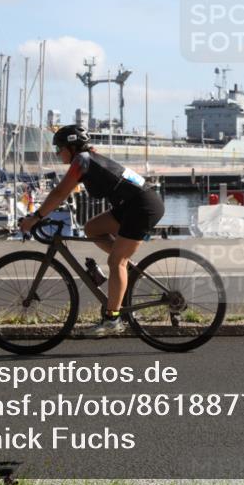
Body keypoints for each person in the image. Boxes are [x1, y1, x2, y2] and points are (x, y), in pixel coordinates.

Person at [18, 124, 165, 337]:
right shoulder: (86, 158)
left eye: (59, 148)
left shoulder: (82, 161)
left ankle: (112, 319)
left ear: (72, 146)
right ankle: (126, 270)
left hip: (142, 206)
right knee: (92, 228)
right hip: (131, 204)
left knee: (116, 261)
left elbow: (60, 193)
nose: (57, 153)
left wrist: (36, 217)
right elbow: (62, 195)